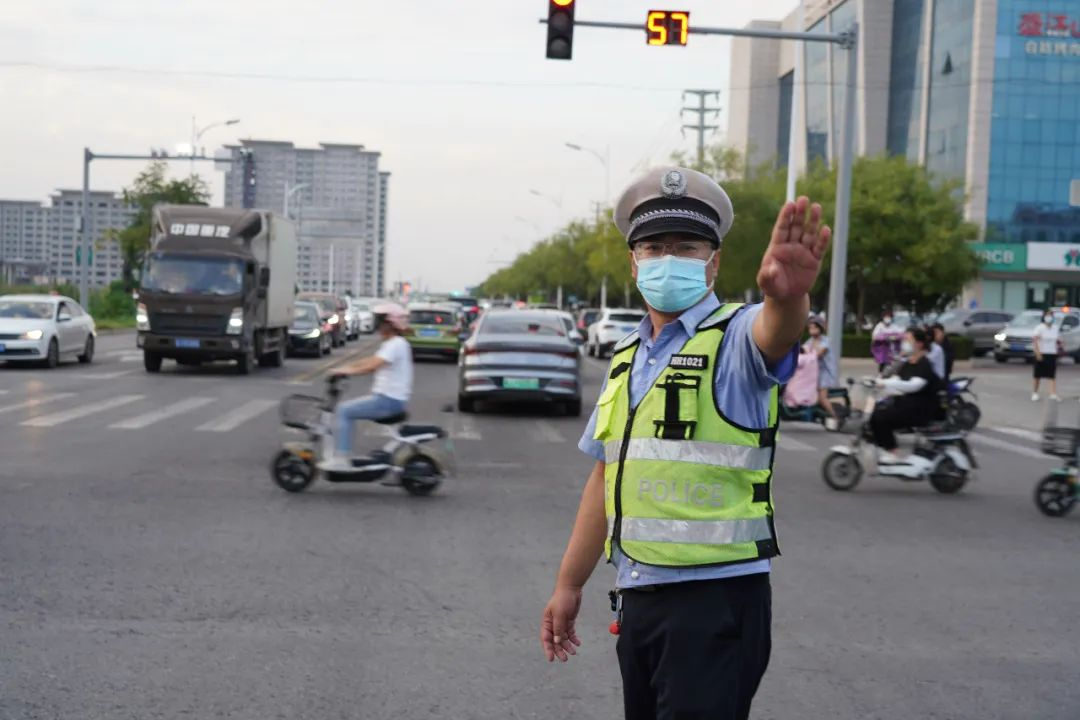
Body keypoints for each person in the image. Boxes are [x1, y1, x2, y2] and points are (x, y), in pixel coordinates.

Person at [539, 166, 831, 720]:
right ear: (633, 262)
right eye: (653, 246)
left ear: (713, 262)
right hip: (638, 595)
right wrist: (568, 584)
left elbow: (776, 332)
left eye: (686, 246)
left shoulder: (737, 337)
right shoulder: (626, 357)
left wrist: (790, 300)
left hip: (715, 603)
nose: (666, 257)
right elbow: (606, 477)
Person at [317, 303, 413, 473]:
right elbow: (369, 361)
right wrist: (344, 367)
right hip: (388, 399)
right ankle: (343, 454)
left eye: (381, 322)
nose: (378, 326)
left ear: (391, 324)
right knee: (347, 410)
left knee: (344, 411)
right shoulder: (393, 343)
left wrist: (346, 371)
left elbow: (372, 366)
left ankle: (341, 459)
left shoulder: (396, 344)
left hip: (388, 401)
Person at [868, 328, 941, 463]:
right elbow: (897, 380)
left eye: (908, 340)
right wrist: (878, 383)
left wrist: (885, 384)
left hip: (920, 409)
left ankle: (893, 452)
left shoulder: (924, 364)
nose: (904, 343)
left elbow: (914, 385)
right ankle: (885, 448)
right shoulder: (908, 363)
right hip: (906, 404)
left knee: (880, 418)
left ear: (919, 344)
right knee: (875, 413)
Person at [804, 316, 840, 429]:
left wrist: (809, 351)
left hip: (825, 373)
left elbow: (818, 353)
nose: (812, 330)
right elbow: (804, 351)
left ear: (820, 328)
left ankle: (836, 418)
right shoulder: (810, 341)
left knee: (822, 398)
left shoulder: (826, 341)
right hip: (814, 373)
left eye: (814, 327)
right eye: (810, 327)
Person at [1032, 310, 1062, 402]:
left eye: (1050, 316)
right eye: (1047, 316)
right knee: (1038, 375)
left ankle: (1052, 393)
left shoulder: (1055, 328)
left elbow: (1058, 340)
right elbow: (1035, 341)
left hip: (1052, 353)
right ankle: (1035, 393)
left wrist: (1060, 346)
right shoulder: (1039, 328)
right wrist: (1037, 353)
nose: (1048, 317)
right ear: (1044, 317)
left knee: (1051, 375)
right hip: (1041, 353)